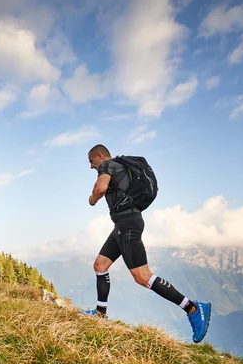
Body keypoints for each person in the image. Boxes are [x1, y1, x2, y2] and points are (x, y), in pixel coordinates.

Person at [84, 144, 211, 343]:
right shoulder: (121, 166)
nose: (91, 166)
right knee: (100, 265)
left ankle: (193, 309)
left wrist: (92, 199)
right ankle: (100, 315)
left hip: (128, 224)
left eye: (91, 161)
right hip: (123, 224)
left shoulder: (107, 165)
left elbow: (101, 187)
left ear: (100, 155)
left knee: (143, 277)